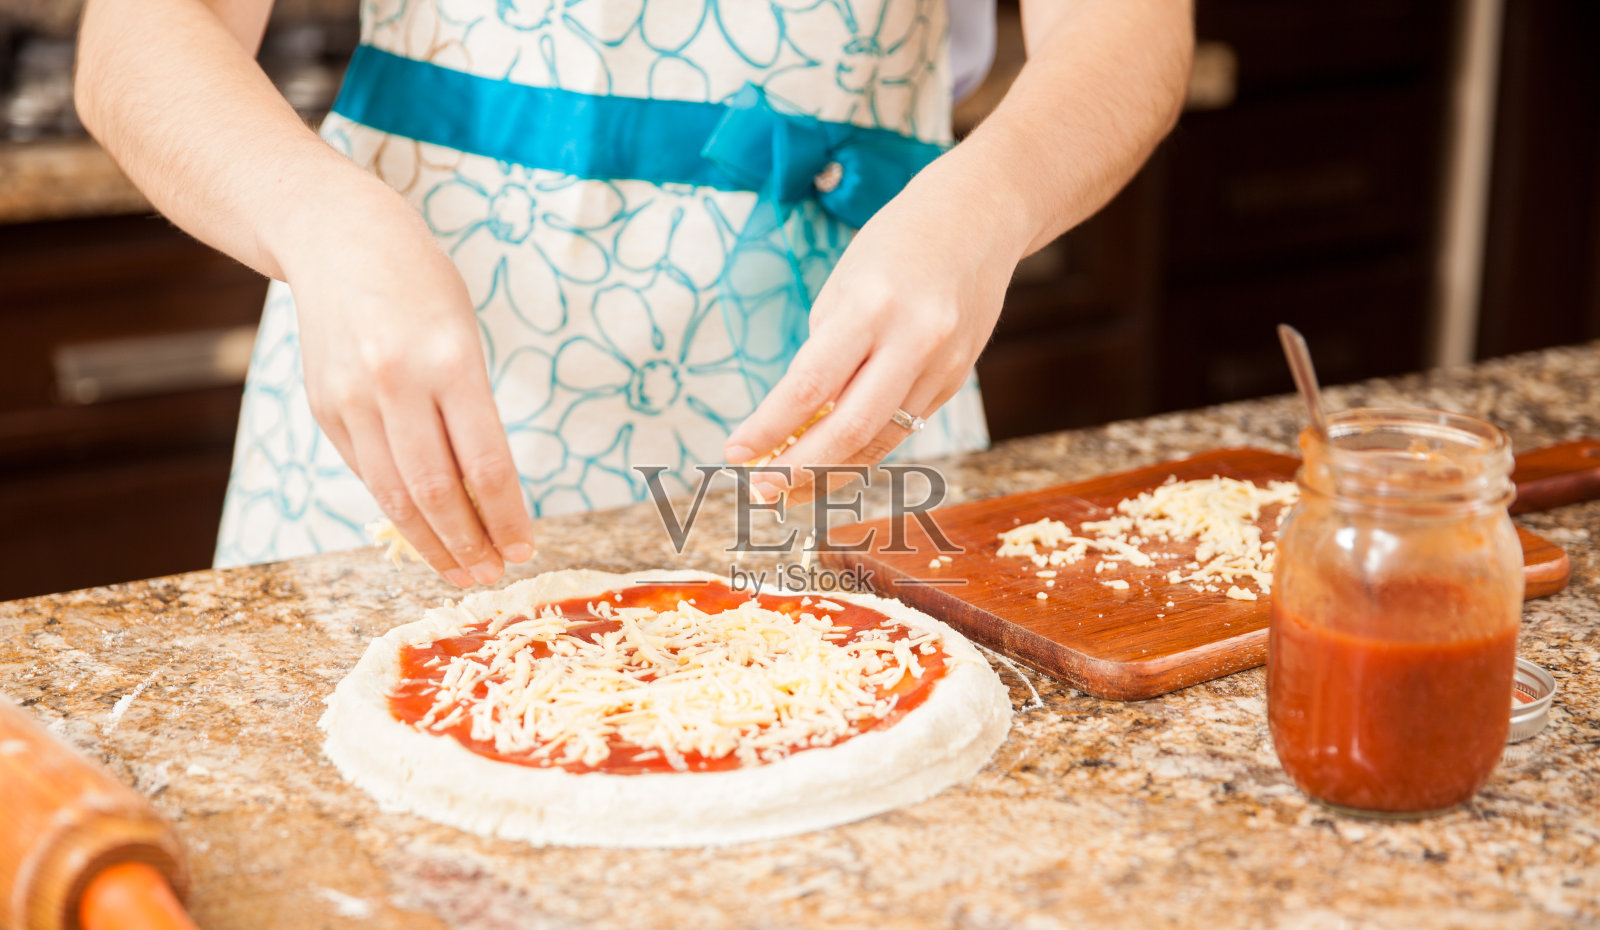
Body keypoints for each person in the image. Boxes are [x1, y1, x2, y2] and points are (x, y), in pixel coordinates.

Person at [76, 0, 1193, 589]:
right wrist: (320, 225)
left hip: (837, 388)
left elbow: (1127, 28)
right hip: (403, 385)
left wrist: (987, 203)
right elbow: (139, 35)